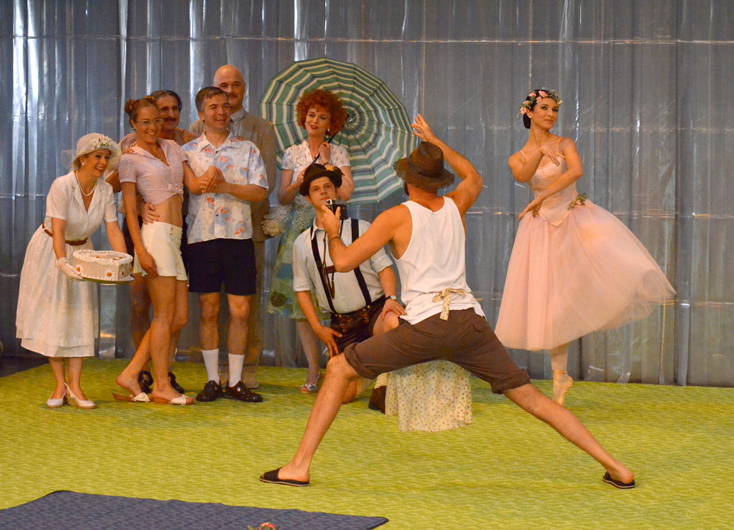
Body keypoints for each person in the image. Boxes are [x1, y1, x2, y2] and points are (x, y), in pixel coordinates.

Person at [259, 115, 636, 490]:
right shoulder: (457, 203)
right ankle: (616, 466)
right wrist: (436, 142)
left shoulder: (395, 217)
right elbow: (473, 176)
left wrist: (333, 232)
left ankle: (299, 466)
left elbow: (342, 262)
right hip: (469, 321)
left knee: (339, 368)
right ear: (438, 181)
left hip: (427, 325)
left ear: (408, 181)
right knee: (532, 398)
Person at [494, 88, 676, 405]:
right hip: (542, 228)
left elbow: (576, 171)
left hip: (574, 217)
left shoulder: (565, 144)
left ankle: (623, 285)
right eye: (544, 108)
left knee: (607, 261)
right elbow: (522, 174)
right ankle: (560, 375)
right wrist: (538, 153)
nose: (550, 114)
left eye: (554, 109)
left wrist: (542, 195)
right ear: (529, 112)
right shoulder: (518, 156)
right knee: (551, 303)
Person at [113, 96, 211, 406]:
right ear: (133, 124)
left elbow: (194, 186)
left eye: (156, 120)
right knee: (164, 315)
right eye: (145, 122)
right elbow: (130, 210)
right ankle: (161, 385)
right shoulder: (130, 158)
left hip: (174, 237)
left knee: (178, 317)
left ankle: (131, 373)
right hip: (154, 237)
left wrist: (215, 174)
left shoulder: (173, 148)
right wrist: (140, 250)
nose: (153, 126)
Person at [16, 133, 126, 409]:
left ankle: (75, 386)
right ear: (83, 159)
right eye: (97, 156)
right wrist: (62, 262)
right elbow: (59, 228)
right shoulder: (62, 185)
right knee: (55, 316)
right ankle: (59, 385)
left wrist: (124, 260)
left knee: (79, 317)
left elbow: (113, 227)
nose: (103, 162)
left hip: (82, 252)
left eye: (106, 157)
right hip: (51, 250)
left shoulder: (105, 190)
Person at [190, 65, 278, 389]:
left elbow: (263, 186)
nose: (222, 108)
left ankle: (241, 374)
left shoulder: (254, 138)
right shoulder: (189, 145)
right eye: (215, 103)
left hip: (243, 233)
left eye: (234, 88)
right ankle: (212, 377)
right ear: (202, 113)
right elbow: (181, 186)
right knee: (209, 308)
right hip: (202, 236)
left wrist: (227, 187)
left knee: (243, 308)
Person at [266, 89, 353, 390]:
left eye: (322, 117)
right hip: (299, 226)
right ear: (303, 117)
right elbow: (282, 196)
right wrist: (299, 182)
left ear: (332, 123)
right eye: (311, 114)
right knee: (301, 301)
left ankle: (338, 366)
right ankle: (313, 370)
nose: (314, 120)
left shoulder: (338, 152)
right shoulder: (292, 152)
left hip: (331, 224)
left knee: (336, 294)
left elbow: (346, 193)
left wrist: (328, 164)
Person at [292, 163, 403, 398]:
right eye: (315, 189)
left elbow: (384, 268)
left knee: (395, 323)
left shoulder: (361, 229)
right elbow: (301, 290)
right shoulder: (302, 243)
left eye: (328, 186)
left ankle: (383, 379)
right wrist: (318, 328)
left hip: (374, 313)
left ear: (336, 192)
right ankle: (365, 373)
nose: (323, 192)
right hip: (342, 325)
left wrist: (391, 298)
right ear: (308, 198)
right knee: (340, 397)